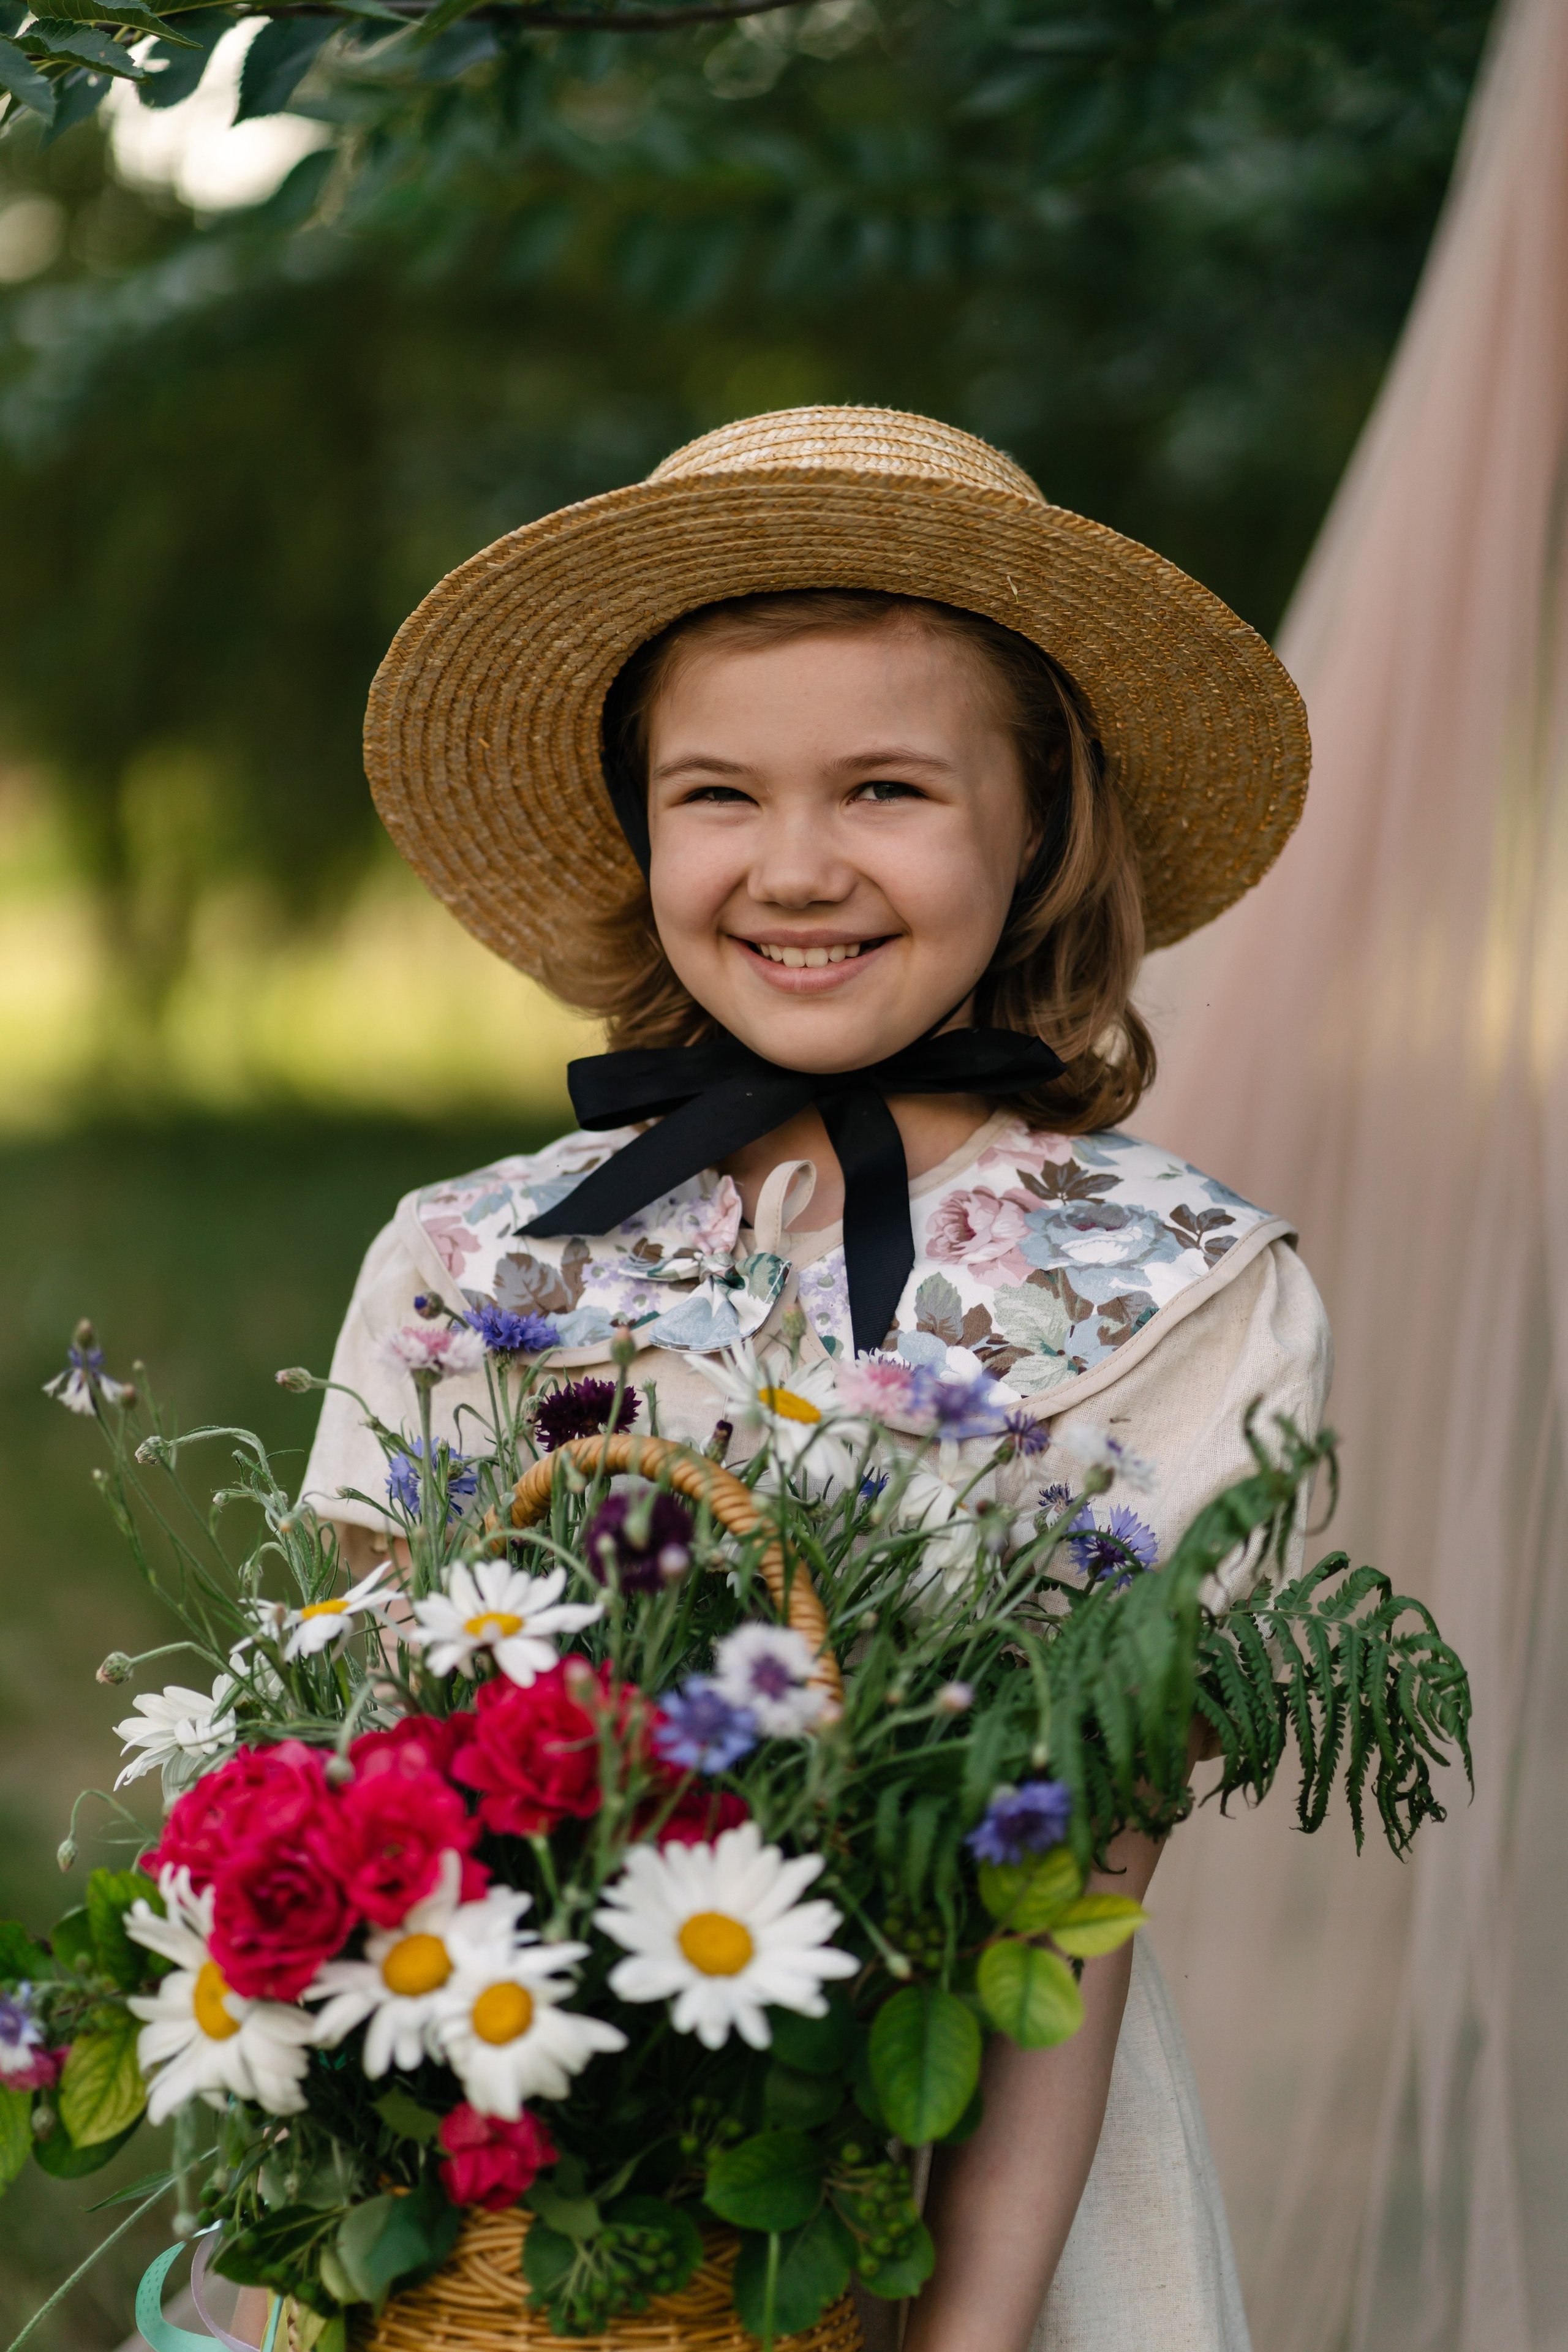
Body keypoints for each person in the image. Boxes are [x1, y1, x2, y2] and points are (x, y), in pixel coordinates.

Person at [301, 406, 1331, 2352]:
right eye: (718, 793)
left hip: (971, 2191)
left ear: (1040, 831)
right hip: (499, 2220)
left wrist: (965, 2328)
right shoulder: (469, 1262)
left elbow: (1082, 1888)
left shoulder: (1178, 1291)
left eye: (885, 789)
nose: (795, 868)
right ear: (640, 824)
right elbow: (352, 1804)